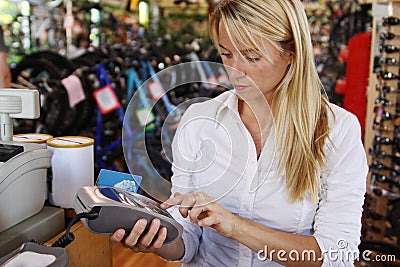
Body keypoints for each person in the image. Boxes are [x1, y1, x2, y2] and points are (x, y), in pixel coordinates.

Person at [111, 0, 368, 266]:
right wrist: (159, 239)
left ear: (291, 51)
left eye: (251, 56)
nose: (235, 71)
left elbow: (339, 255)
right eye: (226, 54)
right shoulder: (198, 121)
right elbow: (186, 239)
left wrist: (235, 226)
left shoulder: (336, 131)